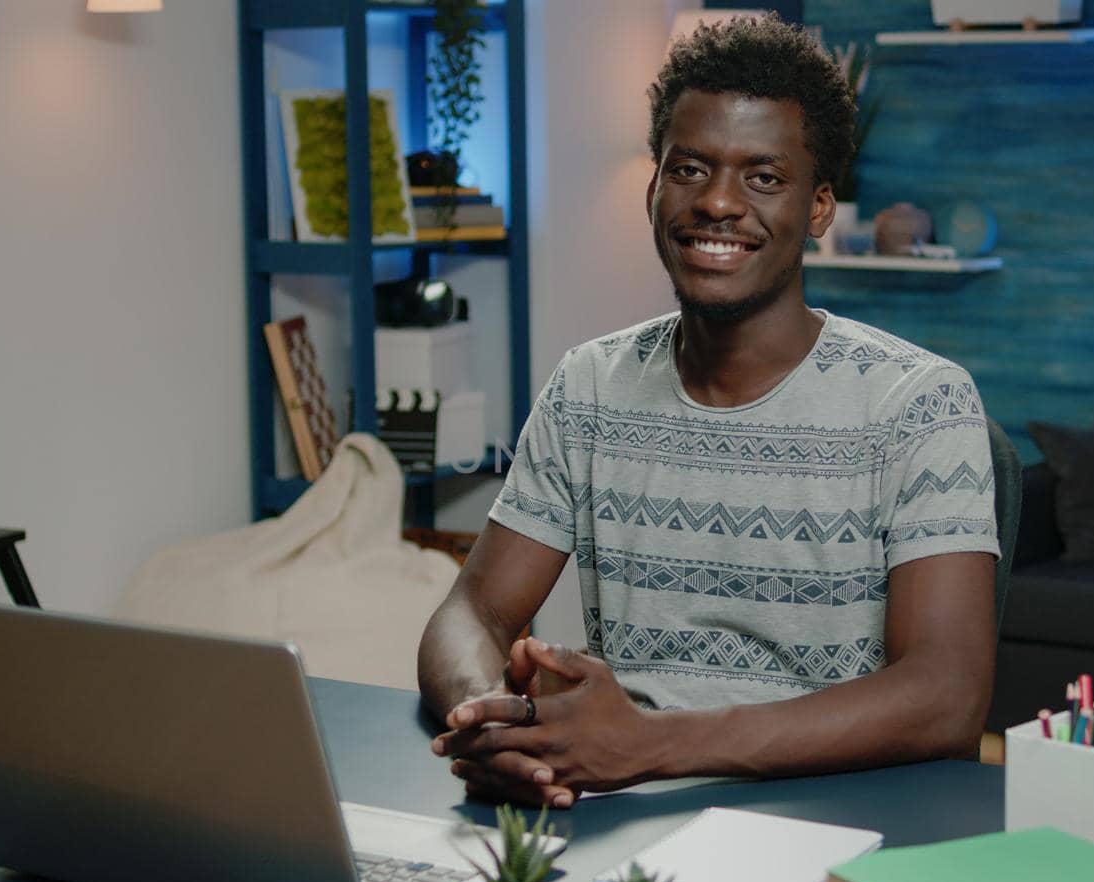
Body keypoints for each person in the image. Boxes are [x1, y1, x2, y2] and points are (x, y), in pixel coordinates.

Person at [418, 14, 1000, 810]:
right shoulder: (589, 385)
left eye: (764, 177)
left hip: (835, 818)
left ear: (820, 207)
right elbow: (473, 610)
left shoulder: (920, 404)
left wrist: (649, 746)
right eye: (690, 168)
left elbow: (947, 694)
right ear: (655, 184)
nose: (719, 203)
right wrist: (493, 720)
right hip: (616, 809)